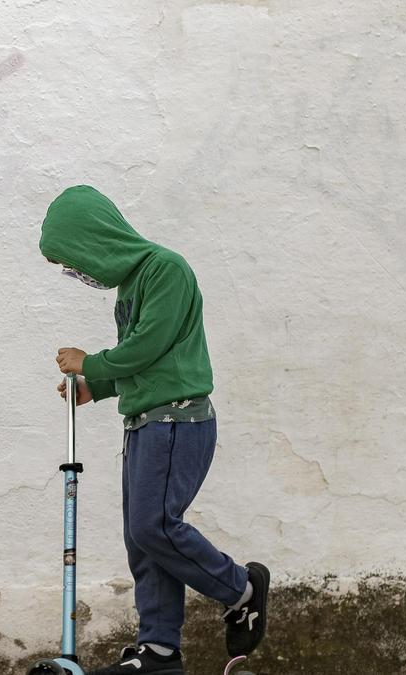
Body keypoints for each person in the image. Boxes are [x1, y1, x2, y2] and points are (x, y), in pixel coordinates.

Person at [39, 185, 269, 674]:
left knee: (156, 525)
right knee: (141, 538)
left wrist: (91, 363)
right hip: (146, 422)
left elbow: (149, 344)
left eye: (76, 261)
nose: (79, 274)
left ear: (97, 240)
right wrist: (94, 389)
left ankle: (241, 589)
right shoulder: (130, 287)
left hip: (178, 420)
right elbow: (148, 365)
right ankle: (159, 649)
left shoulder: (166, 269)